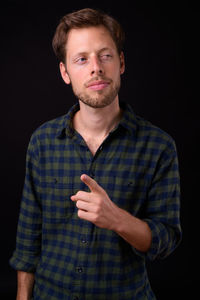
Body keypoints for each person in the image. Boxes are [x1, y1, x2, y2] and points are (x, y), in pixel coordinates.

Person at [10, 8, 182, 300]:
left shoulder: (159, 146)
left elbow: (166, 240)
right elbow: (28, 239)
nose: (96, 68)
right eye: (81, 59)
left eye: (105, 55)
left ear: (121, 63)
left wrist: (117, 219)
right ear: (65, 72)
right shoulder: (42, 142)